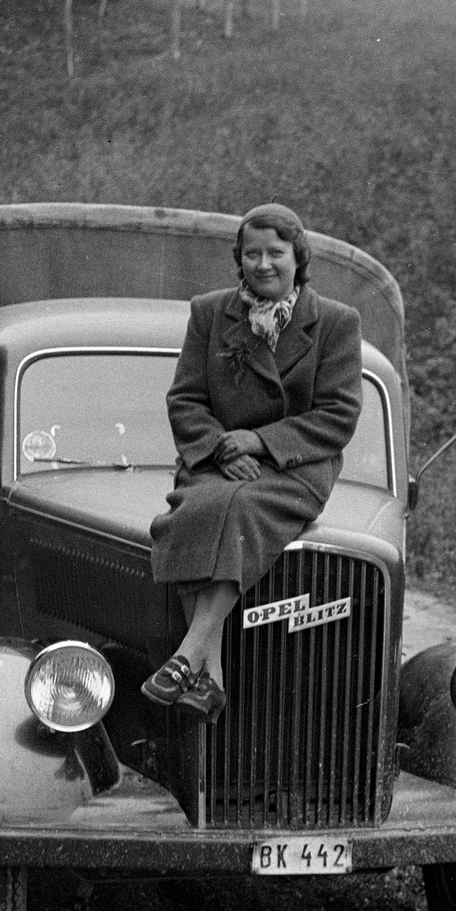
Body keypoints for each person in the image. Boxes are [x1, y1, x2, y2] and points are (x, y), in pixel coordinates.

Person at [142, 204, 363, 722]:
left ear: (298, 258)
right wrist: (221, 446)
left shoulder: (335, 323)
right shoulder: (210, 312)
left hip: (296, 466)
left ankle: (189, 654)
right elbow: (186, 400)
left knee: (236, 507)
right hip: (216, 458)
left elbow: (339, 415)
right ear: (239, 260)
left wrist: (259, 442)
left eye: (276, 253)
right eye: (251, 253)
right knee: (194, 511)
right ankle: (211, 679)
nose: (263, 264)